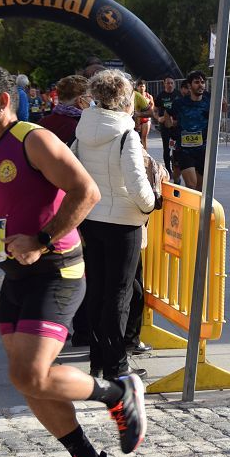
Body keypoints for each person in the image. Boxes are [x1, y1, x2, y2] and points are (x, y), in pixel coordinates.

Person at [0, 64, 145, 457]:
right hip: (16, 279)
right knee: (26, 379)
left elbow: (87, 191)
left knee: (30, 373)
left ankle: (117, 391)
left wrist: (43, 240)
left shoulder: (33, 138)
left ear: (2, 101)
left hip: (57, 272)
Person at [72, 70, 156, 381]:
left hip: (92, 219)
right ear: (123, 99)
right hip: (123, 220)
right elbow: (136, 182)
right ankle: (117, 365)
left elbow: (74, 170)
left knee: (96, 290)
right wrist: (150, 205)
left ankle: (98, 360)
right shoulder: (126, 134)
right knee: (119, 294)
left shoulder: (84, 130)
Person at [169, 70, 211, 191]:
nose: (200, 85)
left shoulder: (209, 101)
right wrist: (170, 124)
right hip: (185, 150)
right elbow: (168, 114)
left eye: (202, 82)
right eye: (197, 82)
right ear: (189, 85)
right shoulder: (180, 103)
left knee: (200, 188)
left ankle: (197, 210)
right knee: (191, 185)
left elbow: (221, 112)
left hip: (203, 149)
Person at [39, 75, 90, 145]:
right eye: (89, 96)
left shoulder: (42, 122)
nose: (92, 100)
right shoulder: (81, 126)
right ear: (80, 100)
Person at [153, 77, 178, 175]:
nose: (170, 85)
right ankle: (168, 169)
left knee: (176, 147)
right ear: (164, 84)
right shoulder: (160, 96)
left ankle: (175, 165)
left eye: (172, 83)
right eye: (168, 83)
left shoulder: (178, 94)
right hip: (165, 126)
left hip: (176, 125)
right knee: (166, 148)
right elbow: (154, 110)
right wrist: (158, 118)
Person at [132, 79, 154, 148]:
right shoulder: (134, 95)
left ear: (145, 87)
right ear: (137, 87)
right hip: (136, 119)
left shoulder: (149, 96)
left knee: (144, 138)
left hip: (146, 119)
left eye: (143, 86)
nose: (142, 88)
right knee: (137, 139)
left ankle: (145, 154)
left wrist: (147, 112)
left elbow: (152, 106)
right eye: (140, 86)